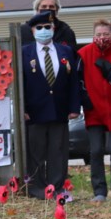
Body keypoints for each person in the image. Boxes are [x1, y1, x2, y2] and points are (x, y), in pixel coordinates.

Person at [22, 10, 80, 199]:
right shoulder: (25, 52)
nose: (44, 30)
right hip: (34, 111)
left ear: (53, 29)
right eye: (39, 28)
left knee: (58, 151)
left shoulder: (65, 51)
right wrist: (22, 109)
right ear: (33, 31)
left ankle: (56, 187)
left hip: (59, 109)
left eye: (48, 27)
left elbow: (73, 81)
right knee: (36, 152)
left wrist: (74, 107)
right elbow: (20, 82)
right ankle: (37, 188)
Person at [76, 19, 111, 202]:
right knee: (95, 150)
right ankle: (99, 191)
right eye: (98, 34)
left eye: (105, 34)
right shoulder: (84, 54)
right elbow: (78, 81)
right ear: (93, 36)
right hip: (94, 109)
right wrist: (83, 101)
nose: (102, 38)